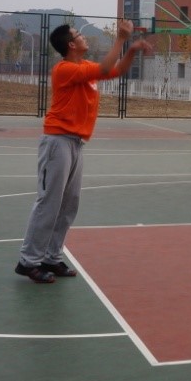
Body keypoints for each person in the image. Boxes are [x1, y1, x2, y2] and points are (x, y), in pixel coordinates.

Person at [15, 20, 149, 283]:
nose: (83, 37)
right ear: (71, 44)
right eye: (79, 35)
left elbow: (115, 70)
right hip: (57, 141)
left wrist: (132, 51)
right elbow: (106, 67)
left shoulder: (85, 67)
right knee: (49, 202)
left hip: (76, 142)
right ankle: (28, 261)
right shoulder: (64, 69)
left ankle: (51, 257)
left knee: (69, 204)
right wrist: (121, 39)